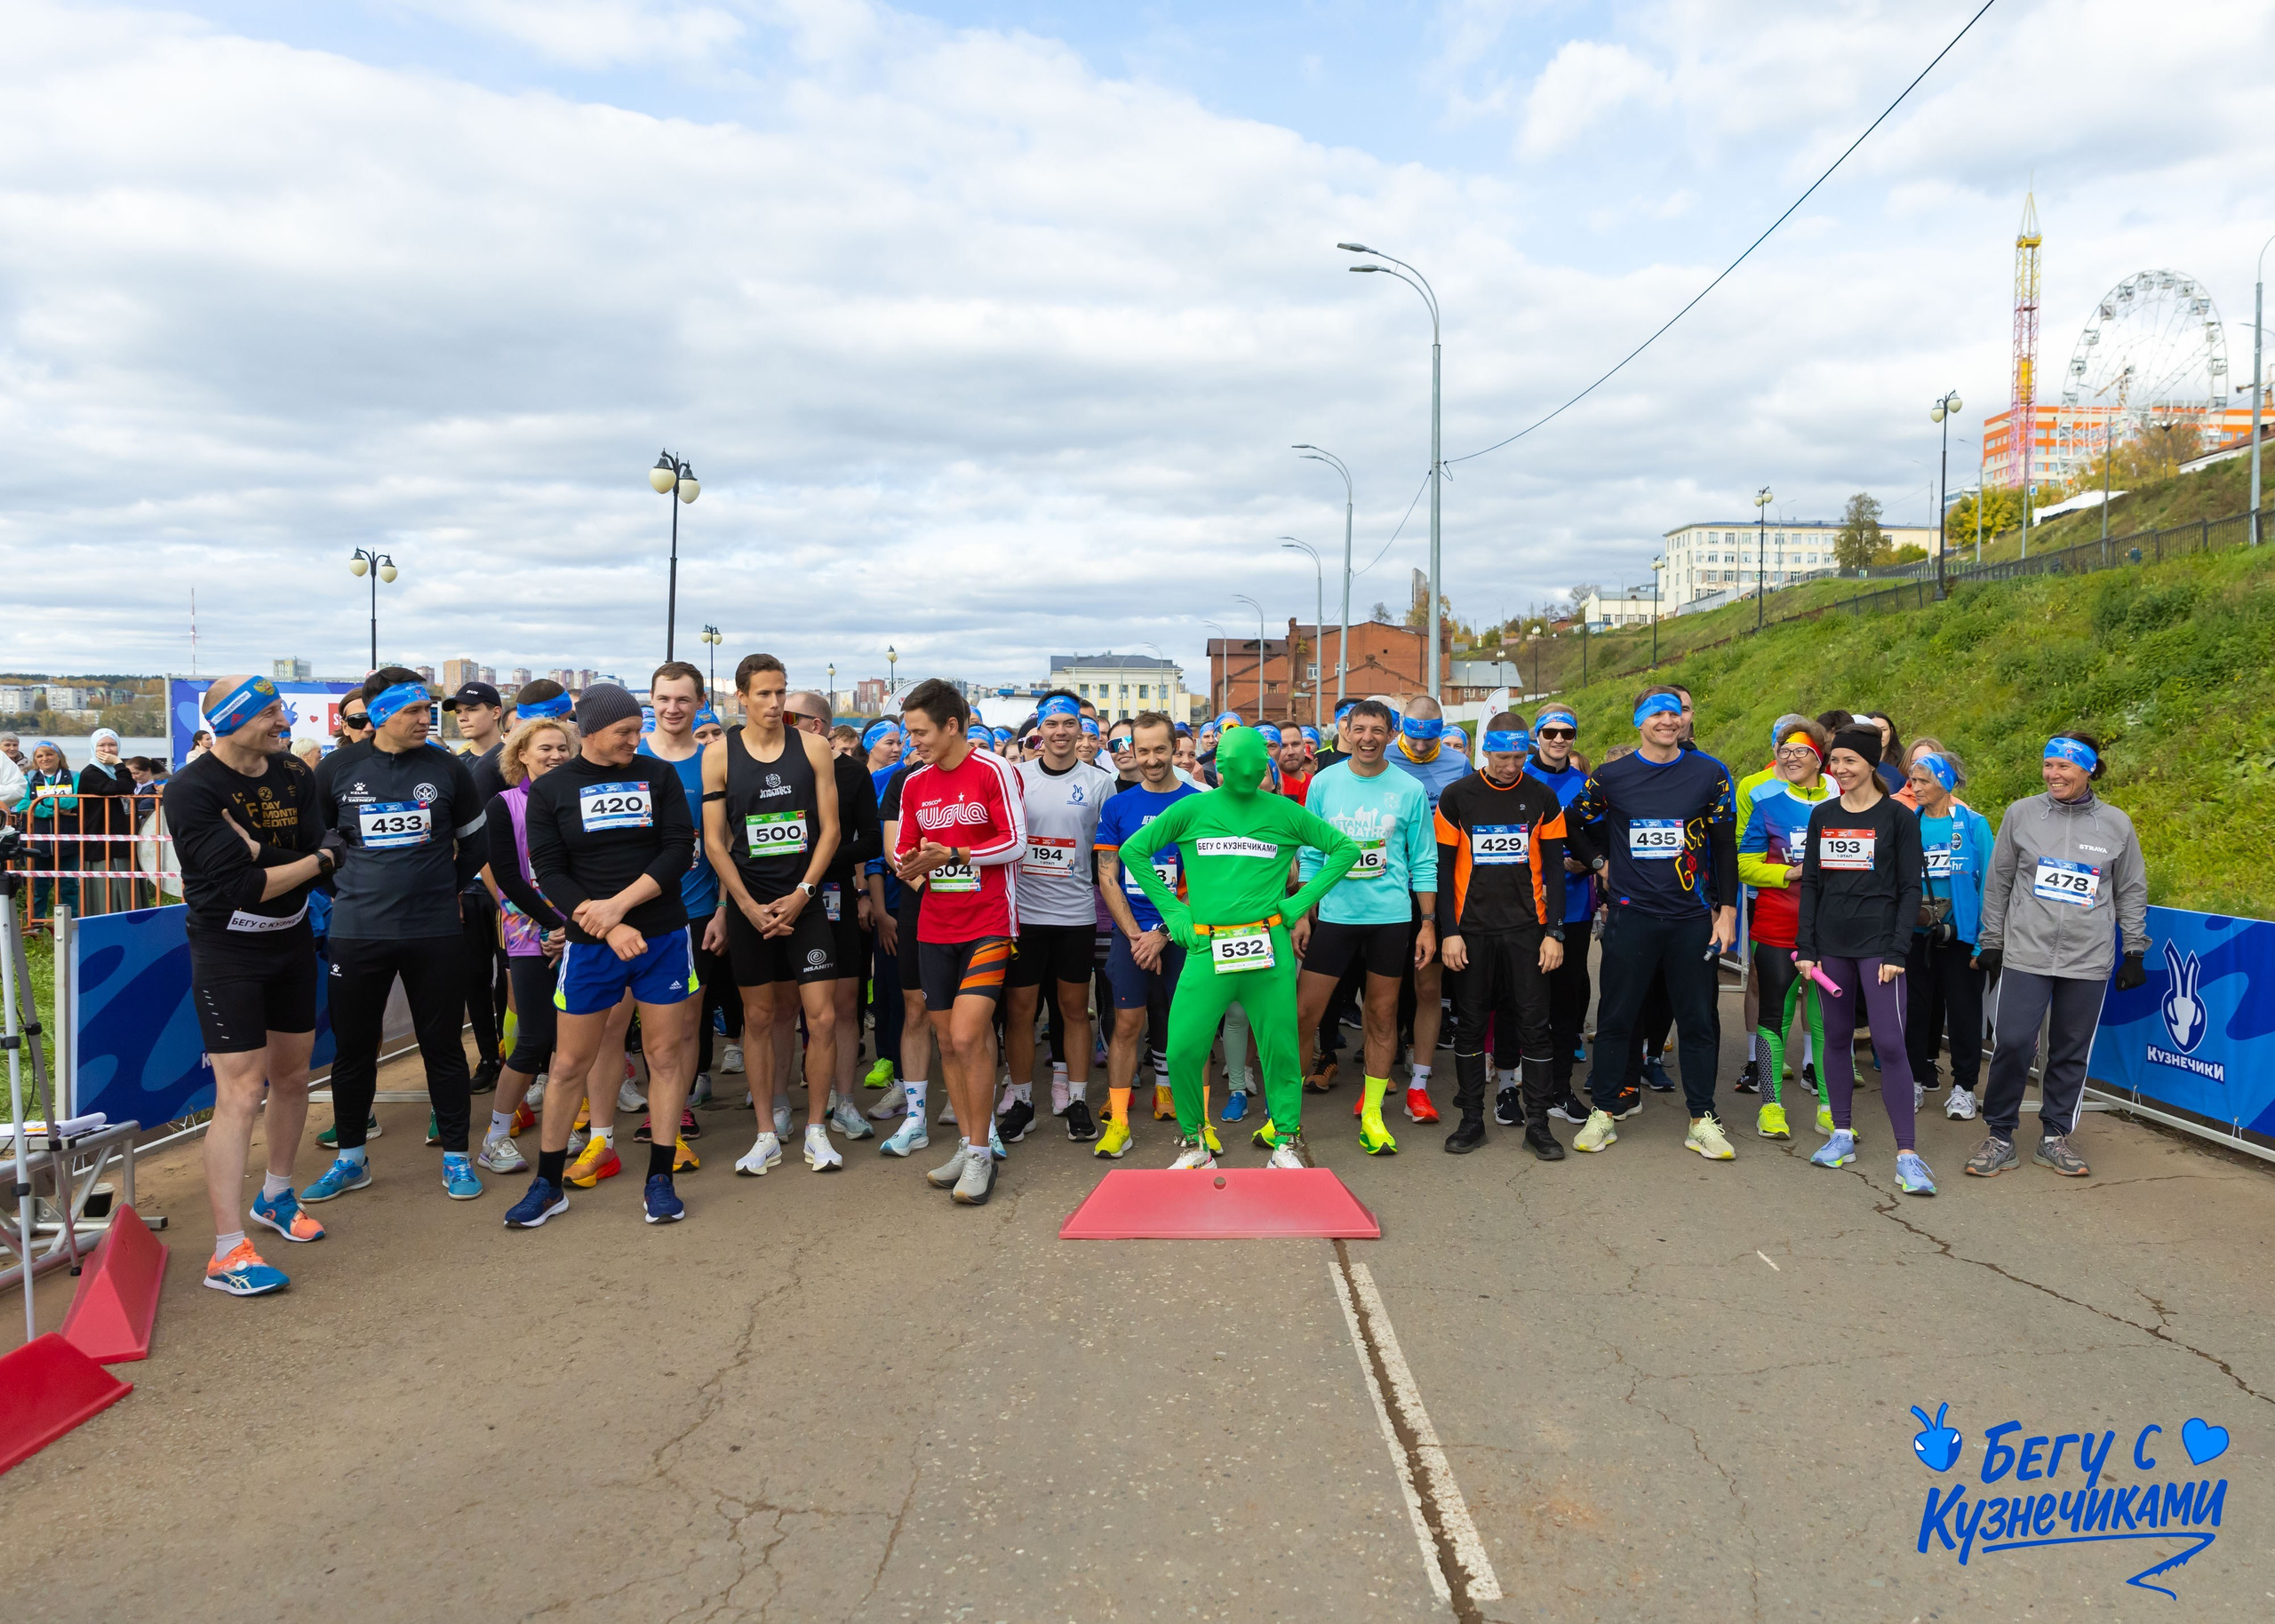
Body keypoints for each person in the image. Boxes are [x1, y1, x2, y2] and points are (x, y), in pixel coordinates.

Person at [163, 676, 339, 1295]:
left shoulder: (292, 773)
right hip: (228, 949)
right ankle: (225, 1249)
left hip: (289, 941)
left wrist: (275, 852)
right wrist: (311, 862)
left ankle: (277, 1197)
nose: (280, 720)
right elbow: (246, 888)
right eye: (268, 712)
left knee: (293, 1076)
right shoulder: (190, 790)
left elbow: (324, 846)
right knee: (240, 1091)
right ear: (231, 720)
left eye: (280, 710)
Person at [507, 683, 701, 1227]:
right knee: (569, 1063)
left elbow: (676, 850)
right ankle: (548, 1184)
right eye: (624, 732)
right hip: (593, 943)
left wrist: (618, 907)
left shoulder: (656, 774)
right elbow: (548, 869)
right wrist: (604, 925)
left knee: (663, 1057)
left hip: (660, 935)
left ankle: (658, 1177)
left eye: (637, 731)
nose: (634, 740)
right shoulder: (551, 789)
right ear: (590, 731)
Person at [1121, 726, 1359, 1167]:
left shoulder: (1286, 812)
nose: (1247, 773)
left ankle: (1285, 1139)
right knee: (1183, 1049)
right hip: (1207, 947)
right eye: (1237, 765)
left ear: (1264, 769)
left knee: (1281, 1047)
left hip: (1268, 947)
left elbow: (1344, 850)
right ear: (1220, 766)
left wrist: (1299, 903)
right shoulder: (1192, 808)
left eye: (1256, 766)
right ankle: (1195, 1142)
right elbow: (1133, 852)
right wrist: (1175, 915)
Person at [304, 669, 490, 1205]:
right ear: (380, 714)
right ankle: (351, 1159)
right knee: (355, 1049)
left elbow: (475, 846)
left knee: (443, 1046)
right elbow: (314, 845)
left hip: (433, 929)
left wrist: (438, 888)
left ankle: (457, 1158)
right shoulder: (337, 769)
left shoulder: (448, 768)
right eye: (412, 711)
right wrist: (343, 890)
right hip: (357, 931)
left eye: (426, 709)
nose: (425, 719)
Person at [1567, 687, 1740, 1160]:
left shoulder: (1711, 773)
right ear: (1640, 722)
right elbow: (1573, 822)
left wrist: (1726, 914)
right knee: (1617, 1016)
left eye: (1673, 714)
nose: (1667, 722)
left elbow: (1726, 845)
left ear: (1684, 721)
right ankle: (1604, 1111)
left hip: (1691, 918)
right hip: (1632, 915)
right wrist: (1600, 863)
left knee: (1698, 1020)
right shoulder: (1611, 776)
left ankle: (1702, 1119)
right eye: (1656, 715)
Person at [1968, 732, 2149, 1181]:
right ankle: (1999, 1135)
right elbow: (1999, 882)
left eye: (2064, 767)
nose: (2053, 775)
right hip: (2027, 952)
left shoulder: (2116, 824)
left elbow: (2129, 890)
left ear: (2088, 770)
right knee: (2011, 1043)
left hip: (2087, 957)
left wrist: (2134, 950)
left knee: (2071, 1050)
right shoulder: (2022, 814)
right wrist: (1991, 941)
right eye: (2048, 765)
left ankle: (2054, 1137)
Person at [703, 655, 843, 1175]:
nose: (774, 703)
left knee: (822, 1017)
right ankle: (766, 1132)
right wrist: (743, 904)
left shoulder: (812, 747)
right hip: (750, 905)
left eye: (780, 692)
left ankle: (816, 1131)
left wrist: (805, 892)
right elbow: (716, 841)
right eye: (763, 694)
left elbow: (829, 829)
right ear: (741, 697)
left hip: (802, 902)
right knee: (759, 1019)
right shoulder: (719, 754)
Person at [890, 678, 1026, 1204]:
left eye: (920, 732)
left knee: (969, 1035)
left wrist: (955, 855)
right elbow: (903, 854)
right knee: (947, 1042)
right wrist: (914, 865)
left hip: (989, 922)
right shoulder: (913, 784)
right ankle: (973, 1145)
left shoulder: (995, 769)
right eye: (908, 732)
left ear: (953, 726)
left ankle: (980, 1154)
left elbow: (1015, 842)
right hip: (934, 926)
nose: (912, 742)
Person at [1292, 699, 1437, 1152]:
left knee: (1381, 1015)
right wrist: (1302, 912)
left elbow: (1424, 861)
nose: (1369, 738)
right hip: (1334, 916)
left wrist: (1428, 922)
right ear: (1347, 732)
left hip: (1389, 919)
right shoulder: (1324, 783)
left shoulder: (1409, 789)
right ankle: (1285, 1117)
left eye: (1378, 730)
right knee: (1302, 1015)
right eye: (1360, 729)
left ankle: (1372, 1114)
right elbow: (1310, 852)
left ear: (1391, 734)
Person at [1793, 726, 1933, 1192]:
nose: (1840, 770)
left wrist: (1898, 949)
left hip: (1879, 950)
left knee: (1891, 1044)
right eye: (1834, 762)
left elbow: (1911, 888)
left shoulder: (1898, 818)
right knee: (1834, 1038)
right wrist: (1807, 948)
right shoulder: (1823, 815)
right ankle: (1840, 1134)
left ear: (1872, 763)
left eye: (1849, 761)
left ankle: (1908, 1155)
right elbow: (1811, 883)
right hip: (1831, 947)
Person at [1433, 713, 1570, 1158]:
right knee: (1470, 1027)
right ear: (1485, 752)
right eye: (1503, 757)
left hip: (1527, 932)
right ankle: (1471, 1119)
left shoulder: (1542, 796)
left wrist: (1555, 933)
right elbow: (1442, 868)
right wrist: (1448, 932)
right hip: (1471, 932)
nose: (1511, 766)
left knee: (1535, 1027)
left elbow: (1554, 868)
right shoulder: (1457, 797)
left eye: (1518, 756)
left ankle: (1538, 1124)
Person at [992, 691, 1116, 1146]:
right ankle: (1022, 1101)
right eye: (1052, 724)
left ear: (1081, 729)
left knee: (1072, 1010)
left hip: (1076, 913)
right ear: (1038, 731)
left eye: (1069, 724)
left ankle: (1078, 1099)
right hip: (1024, 914)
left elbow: (1106, 851)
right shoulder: (1017, 778)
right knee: (1021, 1011)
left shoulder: (1100, 782)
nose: (1061, 732)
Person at [1091, 712, 1200, 1158]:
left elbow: (1203, 882)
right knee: (1127, 1026)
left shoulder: (1198, 803)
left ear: (1175, 748)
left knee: (1188, 1028)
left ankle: (1197, 1124)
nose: (1152, 759)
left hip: (1181, 935)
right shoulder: (1118, 806)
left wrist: (1161, 933)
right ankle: (1118, 1123)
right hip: (1131, 935)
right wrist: (1138, 935)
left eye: (1160, 750)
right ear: (1130, 752)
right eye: (1143, 751)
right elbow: (1108, 876)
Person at [475, 715, 576, 1174]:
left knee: (568, 1042)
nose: (555, 756)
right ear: (521, 755)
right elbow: (509, 876)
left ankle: (563, 1126)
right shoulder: (503, 805)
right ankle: (495, 1136)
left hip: (579, 929)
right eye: (545, 749)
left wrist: (573, 924)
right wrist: (554, 923)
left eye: (562, 748)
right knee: (533, 1038)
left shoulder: (579, 801)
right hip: (530, 933)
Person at [786, 688, 884, 1142]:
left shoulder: (851, 773)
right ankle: (779, 1106)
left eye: (788, 717)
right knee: (783, 1009)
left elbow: (871, 841)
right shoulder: (766, 768)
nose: (776, 721)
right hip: (779, 901)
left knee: (844, 1007)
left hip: (834, 898)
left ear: (815, 726)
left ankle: (844, 1103)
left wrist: (820, 861)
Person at [638, 662, 724, 1152]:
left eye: (683, 700)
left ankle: (677, 1106)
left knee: (687, 1020)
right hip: (629, 914)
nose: (672, 708)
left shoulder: (714, 759)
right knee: (618, 1024)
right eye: (664, 698)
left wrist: (724, 908)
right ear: (652, 699)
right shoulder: (631, 752)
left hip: (694, 912)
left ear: (699, 703)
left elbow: (727, 841)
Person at [1736, 720, 1834, 1139]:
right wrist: (1787, 873)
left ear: (1819, 759)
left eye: (1801, 751)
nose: (1790, 758)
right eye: (1785, 751)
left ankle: (1833, 1107)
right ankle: (1771, 1105)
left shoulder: (1843, 803)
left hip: (1834, 930)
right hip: (1778, 924)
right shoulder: (1769, 804)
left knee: (1830, 1021)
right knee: (1774, 1016)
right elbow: (1743, 863)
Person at [1384, 695, 1467, 1118]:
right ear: (1402, 727)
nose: (1418, 748)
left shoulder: (1457, 764)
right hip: (1386, 887)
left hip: (1434, 885)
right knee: (1384, 987)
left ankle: (1421, 1076)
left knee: (1428, 986)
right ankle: (1384, 1060)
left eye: (1429, 739)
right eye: (1412, 738)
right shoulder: (1380, 758)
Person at [1904, 749, 1993, 1122]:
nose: (1915, 787)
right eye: (1914, 779)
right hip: (1914, 934)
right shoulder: (1907, 823)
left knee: (1963, 1012)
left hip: (1961, 936)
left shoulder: (1974, 824)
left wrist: (1984, 942)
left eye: (1925, 780)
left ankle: (1964, 1087)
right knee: (1913, 1010)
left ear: (1947, 783)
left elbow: (1991, 883)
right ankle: (1912, 1080)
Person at [444, 681, 512, 1094]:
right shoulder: (455, 764)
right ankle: (489, 1058)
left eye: (472, 708)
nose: (464, 716)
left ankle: (515, 1056)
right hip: (468, 889)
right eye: (459, 711)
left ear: (496, 712)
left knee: (510, 978)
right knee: (473, 978)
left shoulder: (515, 759)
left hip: (510, 890)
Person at [12, 742, 79, 924]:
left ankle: (71, 924)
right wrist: (53, 810)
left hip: (68, 839)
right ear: (35, 760)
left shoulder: (74, 776)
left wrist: (40, 804)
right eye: (40, 756)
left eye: (49, 754)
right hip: (37, 841)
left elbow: (72, 802)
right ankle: (37, 924)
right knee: (38, 886)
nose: (45, 759)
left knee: (69, 885)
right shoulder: (28, 778)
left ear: (59, 756)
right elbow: (24, 805)